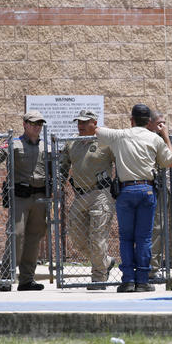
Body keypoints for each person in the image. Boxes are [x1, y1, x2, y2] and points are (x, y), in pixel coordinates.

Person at [95, 104, 172, 292]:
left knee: (126, 238)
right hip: (147, 190)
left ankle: (128, 281)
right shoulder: (154, 139)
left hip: (126, 191)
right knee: (144, 238)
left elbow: (96, 129)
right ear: (149, 122)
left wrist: (94, 125)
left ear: (131, 120)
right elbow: (171, 160)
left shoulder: (120, 135)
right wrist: (165, 135)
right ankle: (142, 281)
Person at [0, 110, 48, 292]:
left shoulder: (47, 146)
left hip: (40, 197)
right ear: (24, 124)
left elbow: (56, 170)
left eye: (39, 124)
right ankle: (6, 277)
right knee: (16, 235)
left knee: (34, 238)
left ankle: (26, 280)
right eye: (33, 123)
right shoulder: (13, 143)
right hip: (20, 197)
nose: (37, 127)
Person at [59, 109, 116, 290]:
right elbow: (62, 166)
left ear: (94, 123)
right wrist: (57, 185)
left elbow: (120, 162)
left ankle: (98, 278)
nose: (80, 126)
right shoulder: (72, 142)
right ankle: (105, 262)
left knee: (98, 238)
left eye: (84, 122)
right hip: (80, 195)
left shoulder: (105, 142)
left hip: (101, 194)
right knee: (77, 238)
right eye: (79, 122)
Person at [146, 111, 169, 284]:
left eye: (164, 123)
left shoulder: (165, 139)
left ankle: (155, 268)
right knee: (152, 230)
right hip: (148, 188)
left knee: (160, 229)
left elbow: (171, 162)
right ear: (151, 123)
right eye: (159, 123)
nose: (162, 126)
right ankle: (150, 270)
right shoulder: (149, 139)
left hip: (164, 188)